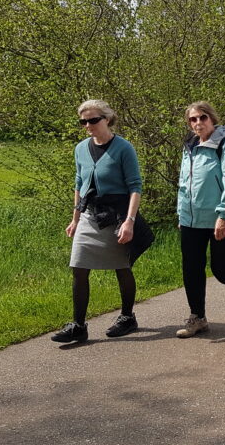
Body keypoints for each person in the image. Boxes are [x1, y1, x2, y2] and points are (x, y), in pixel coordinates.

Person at [53, 99, 142, 344]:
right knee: (78, 269)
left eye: (93, 120)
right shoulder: (80, 148)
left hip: (116, 216)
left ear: (107, 119)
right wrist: (75, 218)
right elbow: (79, 184)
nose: (88, 125)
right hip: (89, 216)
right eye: (84, 121)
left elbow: (135, 186)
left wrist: (129, 221)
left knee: (121, 267)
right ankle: (78, 325)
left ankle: (127, 317)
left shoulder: (123, 148)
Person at [175, 102, 225, 339]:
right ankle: (197, 317)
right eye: (192, 119)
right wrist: (182, 214)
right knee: (191, 268)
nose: (198, 123)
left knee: (222, 269)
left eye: (202, 117)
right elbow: (183, 182)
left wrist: (222, 216)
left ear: (212, 118)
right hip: (192, 219)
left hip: (223, 218)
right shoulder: (189, 147)